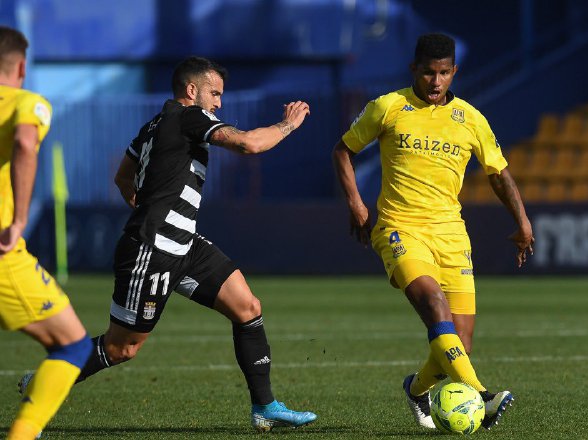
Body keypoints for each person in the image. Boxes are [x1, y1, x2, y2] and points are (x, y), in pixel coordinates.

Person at [18, 56, 317, 432]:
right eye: (215, 93)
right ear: (191, 91)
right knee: (121, 348)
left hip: (183, 245)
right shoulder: (190, 117)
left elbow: (123, 177)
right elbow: (248, 145)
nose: (219, 103)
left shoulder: (152, 127)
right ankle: (40, 386)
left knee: (247, 307)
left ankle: (265, 406)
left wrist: (142, 200)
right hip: (152, 249)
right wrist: (288, 124)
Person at [332, 33, 534, 430]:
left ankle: (417, 388)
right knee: (434, 304)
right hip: (399, 228)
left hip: (452, 236)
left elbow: (499, 173)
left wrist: (522, 221)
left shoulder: (472, 119)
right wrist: (356, 202)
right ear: (414, 70)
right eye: (428, 72)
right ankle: (482, 395)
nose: (436, 82)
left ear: (454, 71)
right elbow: (343, 150)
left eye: (444, 73)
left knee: (460, 344)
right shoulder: (388, 107)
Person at [0, 26, 93, 440]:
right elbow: (23, 143)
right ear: (21, 65)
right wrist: (19, 219)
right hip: (3, 256)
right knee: (72, 345)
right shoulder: (28, 103)